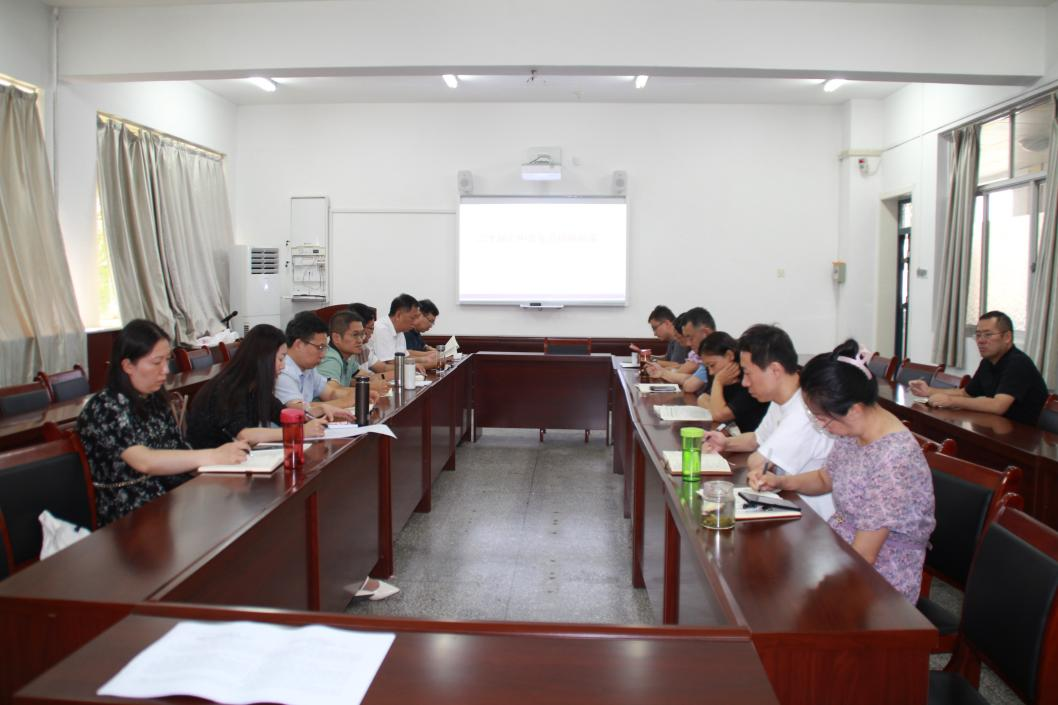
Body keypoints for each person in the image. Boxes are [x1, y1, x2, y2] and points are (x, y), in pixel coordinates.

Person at [753, 340, 936, 602]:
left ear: (854, 410)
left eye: (821, 418)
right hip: (837, 550)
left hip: (880, 582)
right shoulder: (854, 431)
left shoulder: (894, 459)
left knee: (778, 590)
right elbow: (825, 478)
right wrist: (782, 482)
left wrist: (808, 580)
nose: (820, 425)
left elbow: (865, 555)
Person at [77, 319, 250, 526]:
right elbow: (144, 461)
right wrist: (213, 455)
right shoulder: (105, 407)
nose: (166, 370)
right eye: (156, 362)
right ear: (128, 366)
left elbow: (180, 452)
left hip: (171, 500)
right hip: (129, 515)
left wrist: (225, 466)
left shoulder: (154, 401)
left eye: (167, 360)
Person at [703, 324, 835, 519]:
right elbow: (757, 439)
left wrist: (757, 459)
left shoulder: (805, 410)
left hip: (812, 517)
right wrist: (726, 443)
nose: (744, 382)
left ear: (775, 370)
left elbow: (757, 461)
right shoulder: (781, 398)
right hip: (787, 503)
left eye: (748, 373)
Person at [186, 324, 327, 449]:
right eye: (280, 359)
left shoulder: (255, 386)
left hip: (236, 458)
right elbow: (244, 435)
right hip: (213, 464)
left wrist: (318, 411)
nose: (283, 366)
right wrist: (299, 431)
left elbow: (283, 414)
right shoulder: (228, 388)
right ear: (264, 358)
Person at [909, 310, 1048, 425]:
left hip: (1023, 437)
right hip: (997, 427)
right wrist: (929, 391)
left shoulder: (1018, 363)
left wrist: (950, 401)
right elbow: (966, 393)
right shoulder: (987, 362)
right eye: (978, 335)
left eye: (988, 335)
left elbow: (998, 406)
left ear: (1007, 337)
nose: (981, 340)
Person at [274, 312, 356, 419]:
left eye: (325, 348)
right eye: (320, 347)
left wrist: (360, 394)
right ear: (299, 344)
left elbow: (331, 393)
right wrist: (346, 402)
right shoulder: (282, 370)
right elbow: (299, 409)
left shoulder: (308, 368)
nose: (323, 355)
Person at [696, 331, 769, 432]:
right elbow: (703, 398)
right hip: (732, 434)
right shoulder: (719, 373)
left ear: (729, 355)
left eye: (712, 365)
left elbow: (718, 414)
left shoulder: (749, 381)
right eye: (707, 367)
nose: (711, 372)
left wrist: (718, 382)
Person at [318, 310, 387, 394]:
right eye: (355, 335)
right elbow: (332, 392)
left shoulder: (349, 357)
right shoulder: (329, 360)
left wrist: (376, 380)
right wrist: (368, 387)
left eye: (362, 334)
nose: (360, 340)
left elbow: (366, 376)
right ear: (336, 338)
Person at [647, 307, 714, 393]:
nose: (688, 344)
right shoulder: (705, 358)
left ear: (705, 333)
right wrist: (661, 372)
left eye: (690, 337)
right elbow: (688, 379)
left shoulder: (716, 355)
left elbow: (689, 384)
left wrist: (662, 371)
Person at [369, 293, 437, 369]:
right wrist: (427, 362)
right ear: (398, 315)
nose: (415, 322)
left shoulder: (400, 330)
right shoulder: (381, 329)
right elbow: (389, 362)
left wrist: (426, 359)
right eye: (412, 318)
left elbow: (404, 357)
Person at [349, 303, 385, 373]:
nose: (372, 332)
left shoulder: (363, 347)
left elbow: (383, 368)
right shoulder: (343, 356)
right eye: (371, 328)